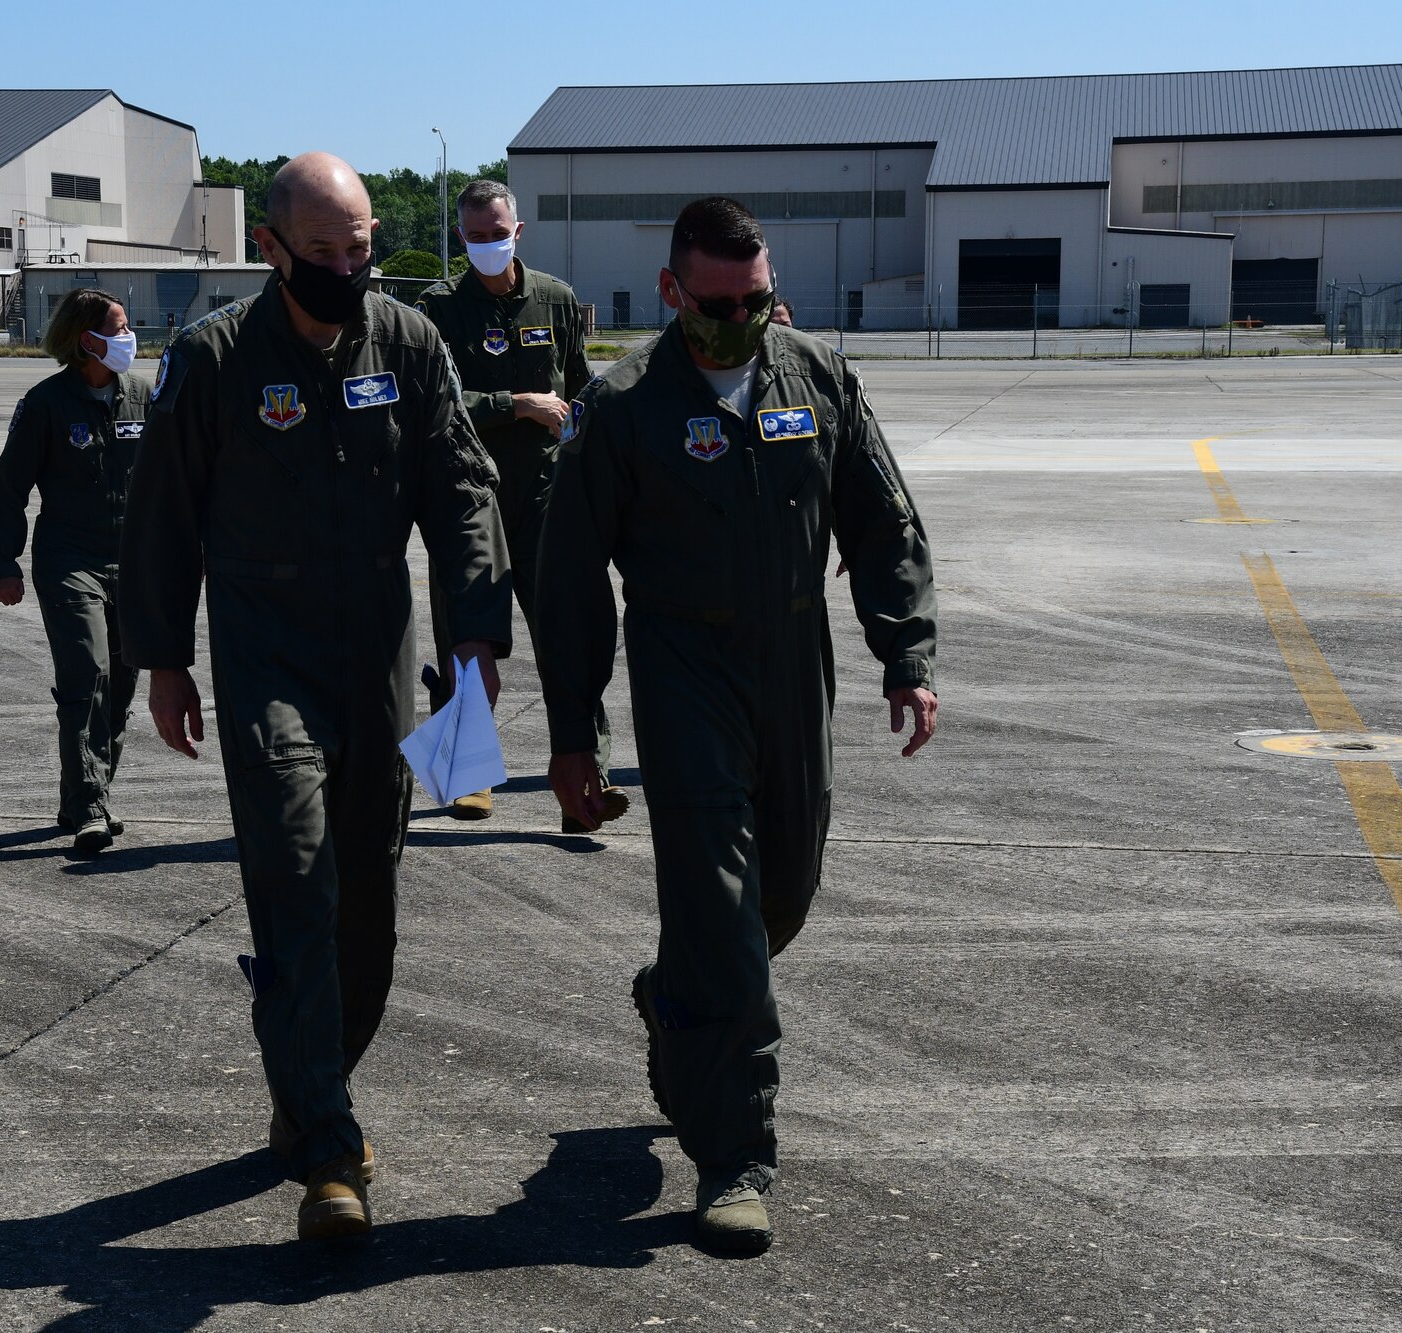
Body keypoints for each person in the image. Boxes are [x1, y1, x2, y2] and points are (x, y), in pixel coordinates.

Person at [119, 153, 512, 1241]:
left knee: (365, 913)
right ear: (272, 248)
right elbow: (160, 515)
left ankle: (305, 1084)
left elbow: (462, 485)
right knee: (294, 880)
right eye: (324, 253)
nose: (347, 269)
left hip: (379, 656)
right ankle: (332, 1154)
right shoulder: (214, 358)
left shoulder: (410, 342)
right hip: (266, 655)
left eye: (360, 248)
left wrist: (475, 630)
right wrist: (161, 658)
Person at [534, 197, 938, 1254]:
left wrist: (905, 651)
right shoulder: (620, 405)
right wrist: (571, 735)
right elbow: (570, 580)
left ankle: (675, 996)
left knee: (782, 895)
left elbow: (881, 516)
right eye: (715, 305)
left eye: (754, 301)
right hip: (683, 670)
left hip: (792, 665)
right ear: (670, 292)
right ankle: (732, 1154)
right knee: (718, 903)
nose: (737, 323)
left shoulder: (812, 374)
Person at [413, 179, 626, 831]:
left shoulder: (555, 300)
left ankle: (588, 776)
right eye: (475, 237)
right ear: (460, 238)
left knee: (569, 638)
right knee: (465, 640)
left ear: (519, 231)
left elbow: (581, 384)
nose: (487, 245)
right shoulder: (437, 307)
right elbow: (434, 402)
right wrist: (517, 406)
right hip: (467, 502)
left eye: (497, 233)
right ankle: (467, 779)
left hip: (545, 502)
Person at [0, 287, 149, 854]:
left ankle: (83, 791)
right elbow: (7, 489)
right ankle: (89, 807)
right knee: (88, 672)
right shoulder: (45, 405)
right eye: (120, 328)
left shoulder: (144, 398)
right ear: (88, 340)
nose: (131, 337)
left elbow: (176, 484)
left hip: (134, 564)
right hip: (69, 561)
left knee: (123, 682)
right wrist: (3, 562)